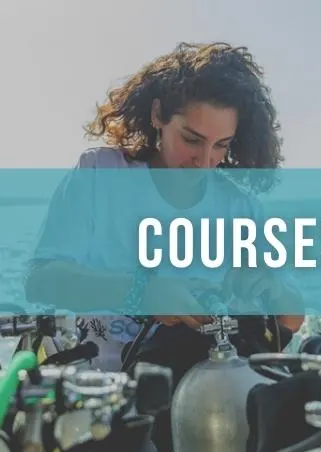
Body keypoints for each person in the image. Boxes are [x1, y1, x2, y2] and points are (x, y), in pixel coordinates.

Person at [24, 42, 305, 372]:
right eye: (192, 139)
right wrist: (140, 292)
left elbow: (293, 317)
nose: (204, 161)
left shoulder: (239, 208)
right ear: (158, 115)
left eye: (221, 146)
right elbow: (39, 279)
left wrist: (273, 288)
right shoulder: (100, 174)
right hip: (105, 393)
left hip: (204, 394)